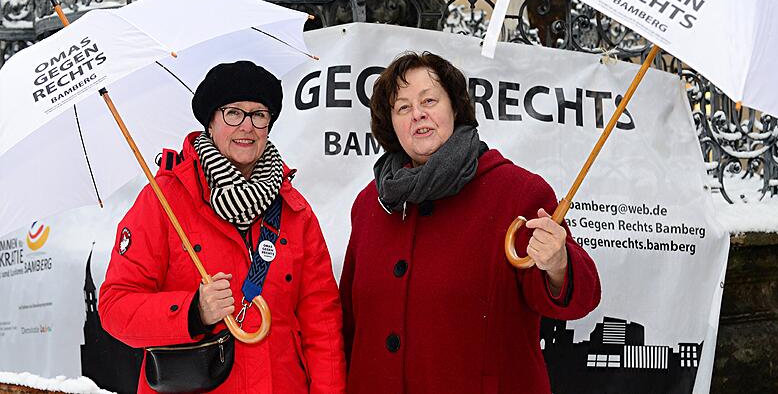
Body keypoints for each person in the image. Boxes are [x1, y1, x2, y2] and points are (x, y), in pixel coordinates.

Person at [339, 52, 601, 394]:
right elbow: (349, 321)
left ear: (455, 108)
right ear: (391, 124)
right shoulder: (369, 204)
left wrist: (558, 263)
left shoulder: (518, 193)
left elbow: (579, 298)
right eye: (402, 107)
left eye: (429, 100)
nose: (417, 114)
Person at [99, 61, 346, 394]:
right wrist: (193, 311)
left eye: (259, 114)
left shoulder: (295, 211)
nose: (246, 126)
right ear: (211, 123)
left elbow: (323, 325)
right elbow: (116, 307)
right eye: (233, 113)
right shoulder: (163, 200)